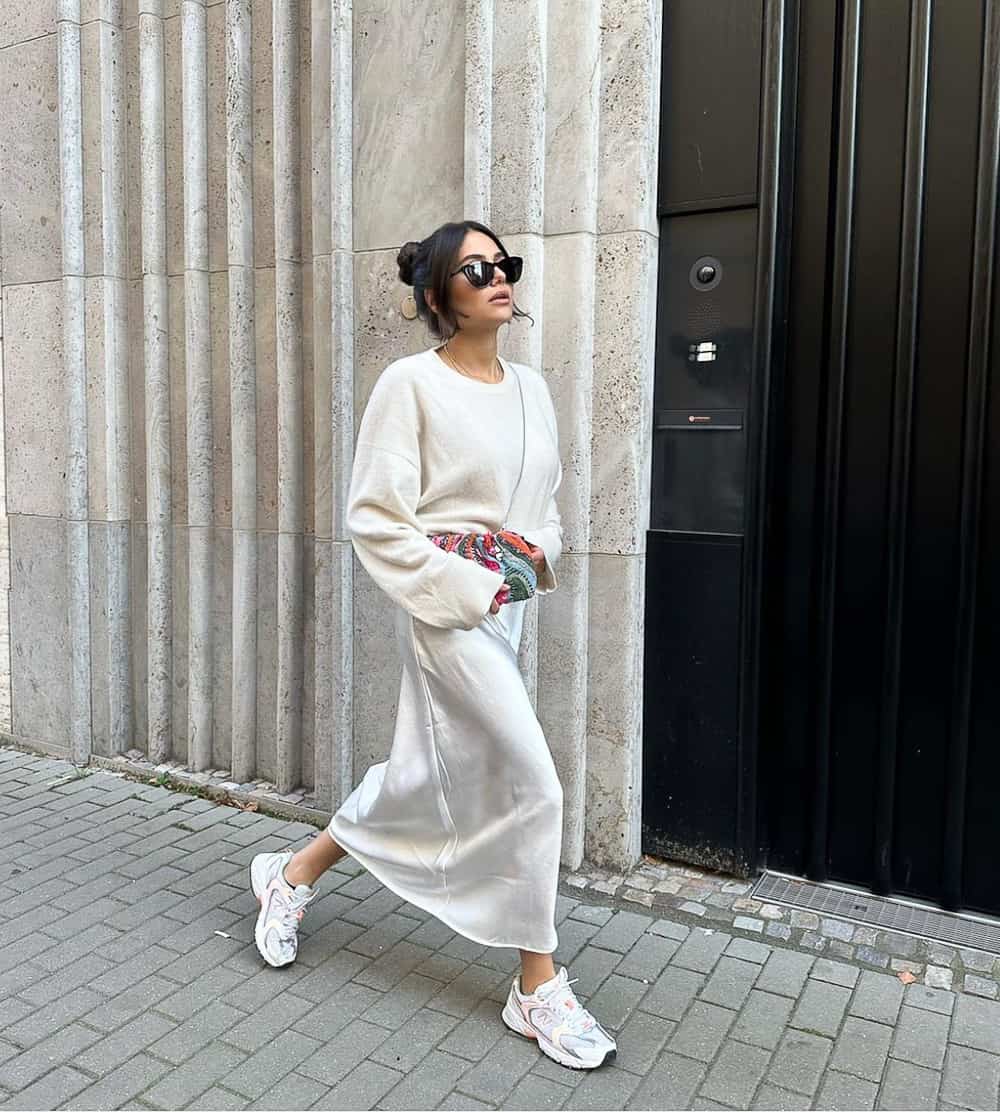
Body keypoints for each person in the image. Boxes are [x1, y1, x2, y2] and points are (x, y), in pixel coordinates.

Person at [248, 220, 616, 1070]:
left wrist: (532, 560)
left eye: (504, 265)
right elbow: (376, 517)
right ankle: (536, 986)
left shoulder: (531, 389)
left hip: (507, 606)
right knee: (535, 782)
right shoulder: (409, 385)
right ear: (439, 294)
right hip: (450, 610)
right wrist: (466, 585)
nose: (497, 279)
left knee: (420, 777)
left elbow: (546, 504)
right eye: (475, 268)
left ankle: (292, 874)